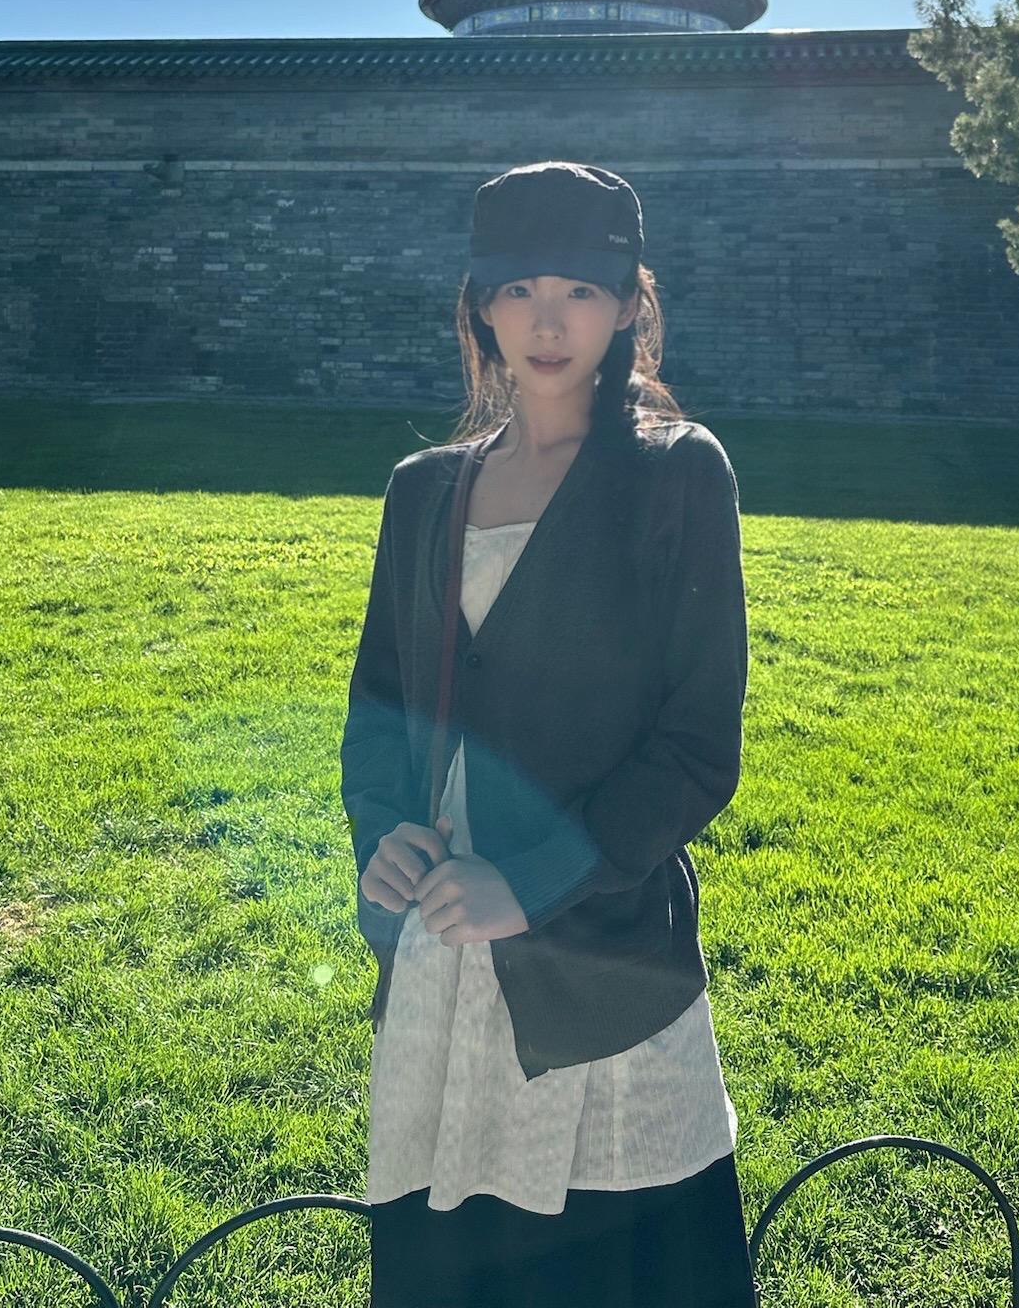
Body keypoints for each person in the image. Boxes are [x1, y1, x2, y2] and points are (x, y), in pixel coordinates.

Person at [340, 160, 757, 1308]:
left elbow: (696, 745)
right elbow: (379, 710)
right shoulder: (424, 490)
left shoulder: (676, 476)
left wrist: (527, 881)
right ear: (481, 305)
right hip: (442, 958)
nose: (548, 319)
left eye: (580, 288)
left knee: (622, 1270)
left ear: (627, 304)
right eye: (518, 288)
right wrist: (383, 830)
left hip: (599, 959)